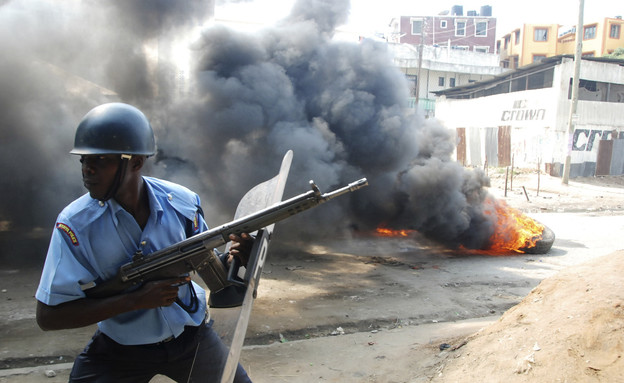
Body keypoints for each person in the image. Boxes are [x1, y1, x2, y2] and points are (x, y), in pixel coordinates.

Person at [35, 102, 253, 383]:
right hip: (120, 350)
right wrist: (134, 300)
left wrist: (236, 257)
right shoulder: (74, 225)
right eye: (84, 160)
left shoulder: (183, 203)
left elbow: (204, 263)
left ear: (136, 162)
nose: (87, 169)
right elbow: (48, 316)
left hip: (192, 338)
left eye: (100, 160)